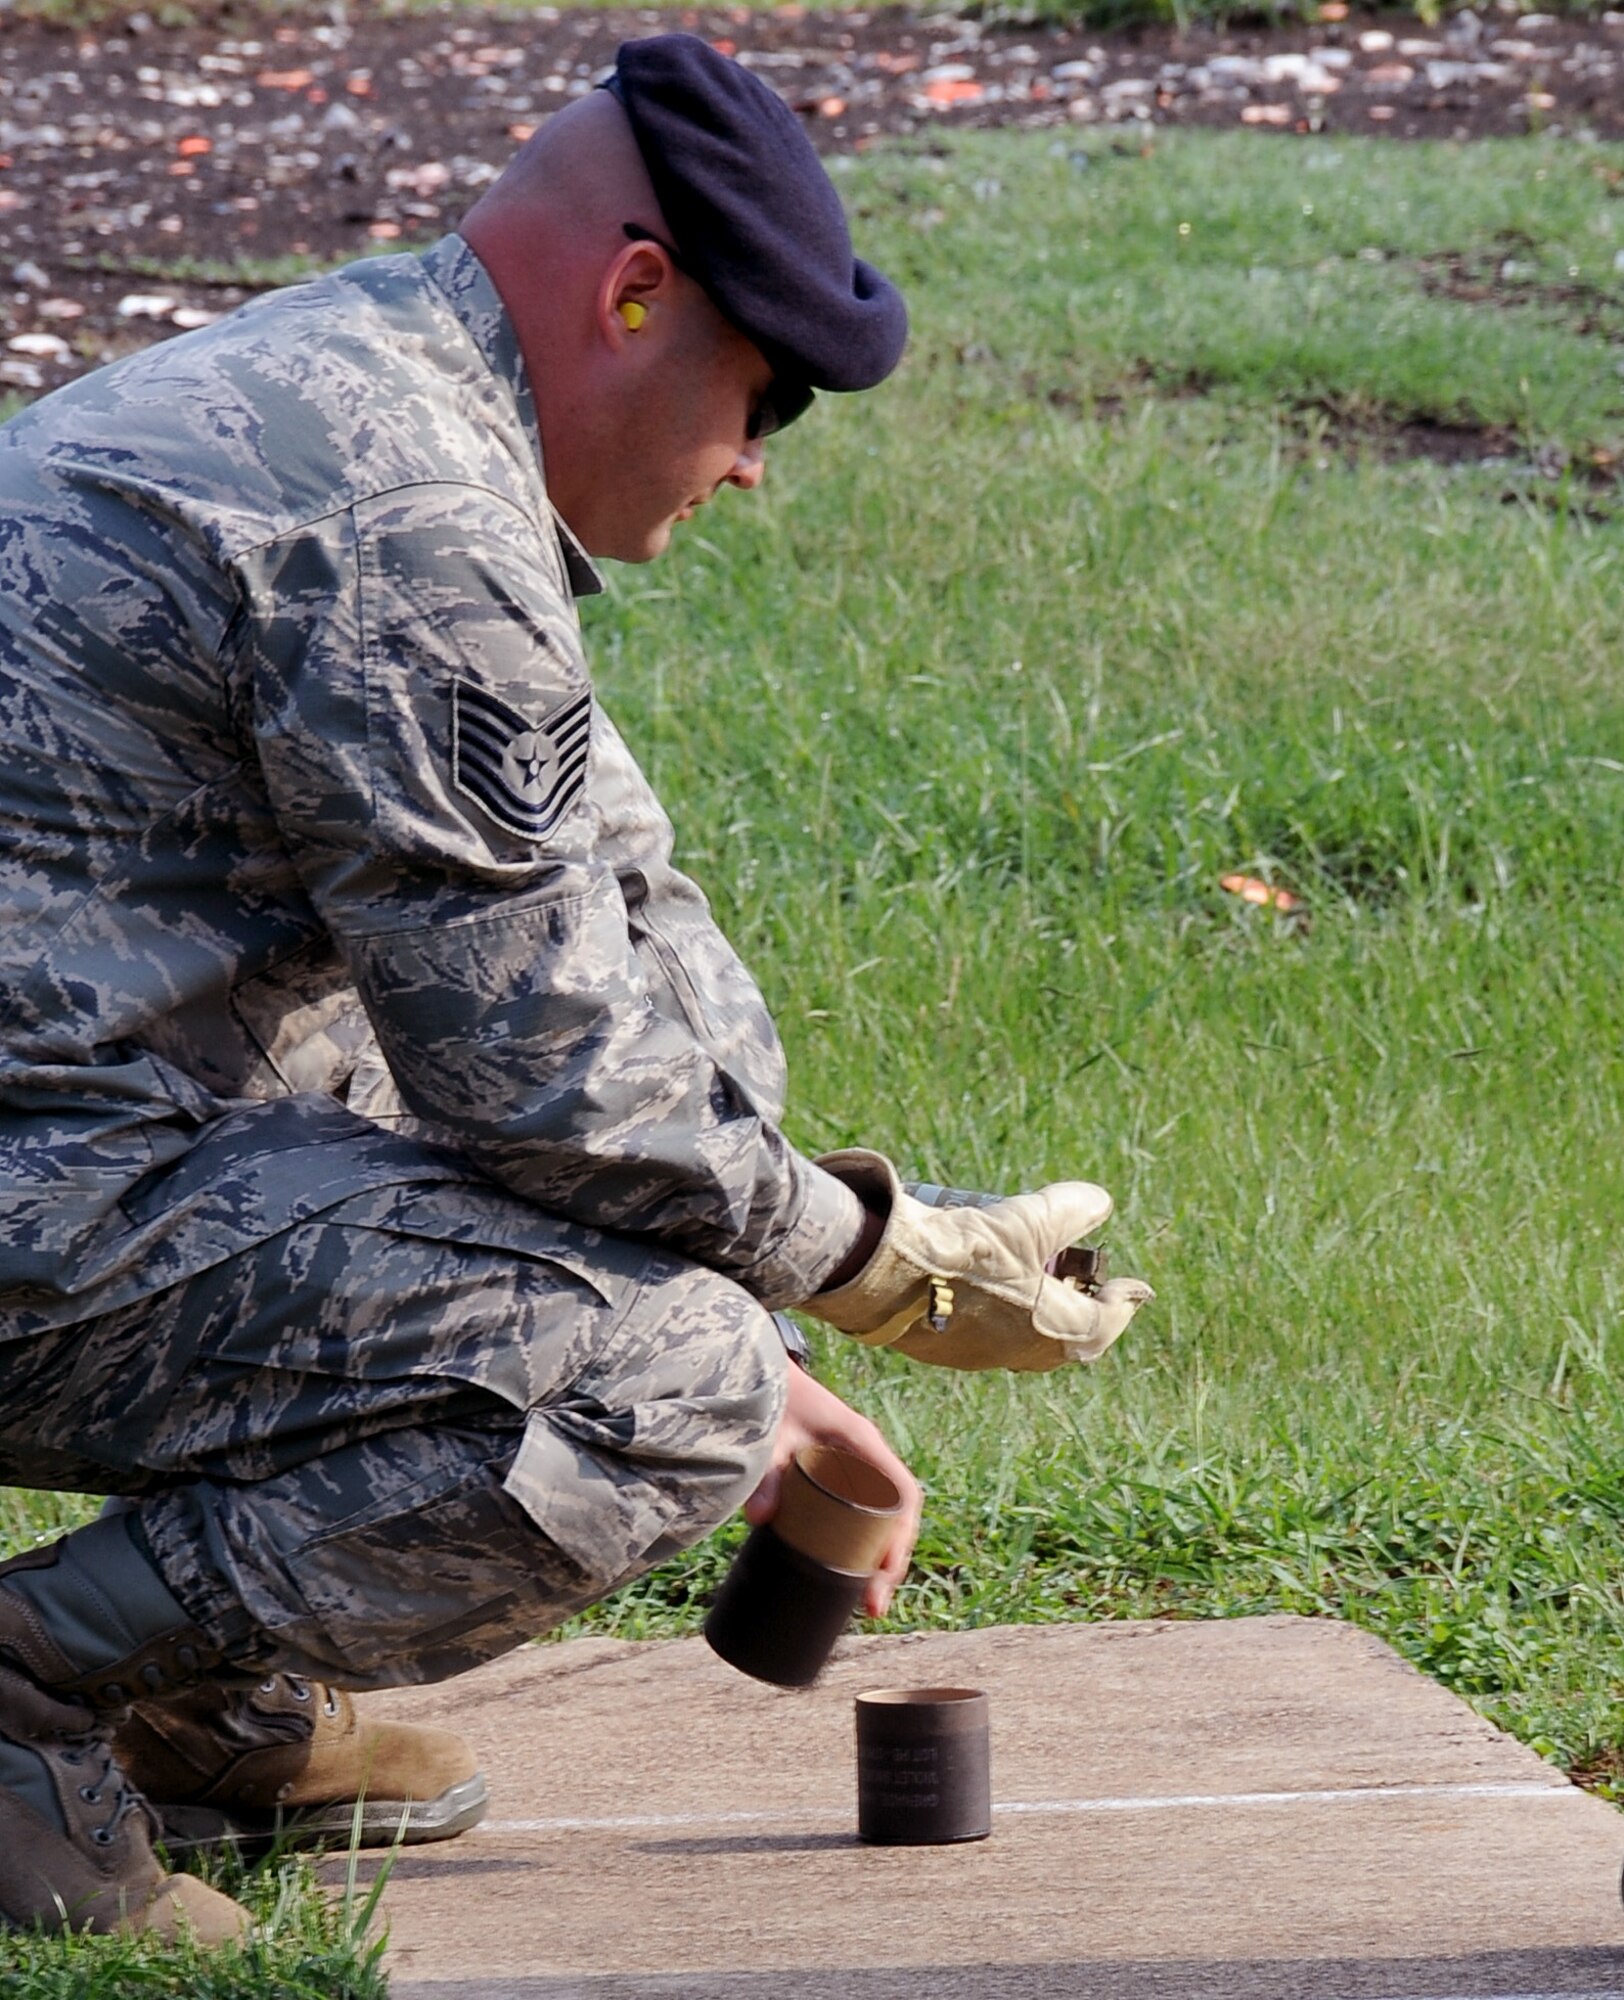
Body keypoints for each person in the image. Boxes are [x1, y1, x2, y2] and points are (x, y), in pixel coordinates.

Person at [0, 34, 1151, 1940]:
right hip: (44, 1175)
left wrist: (787, 1286)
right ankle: (32, 1687)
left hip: (76, 1126)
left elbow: (617, 929)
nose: (756, 461)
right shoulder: (398, 519)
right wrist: (862, 1274)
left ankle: (191, 1695)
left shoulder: (372, 397)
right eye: (761, 390)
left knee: (678, 1311)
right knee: (656, 1393)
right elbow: (555, 1087)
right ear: (635, 293)